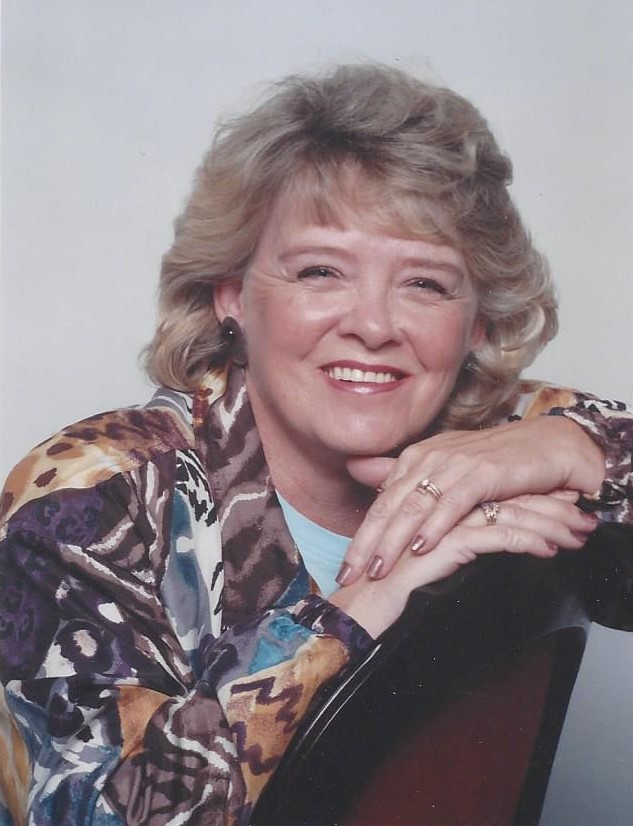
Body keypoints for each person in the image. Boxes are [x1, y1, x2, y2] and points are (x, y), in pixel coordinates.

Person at [0, 63, 631, 826]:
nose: (372, 324)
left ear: (478, 323)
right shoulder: (94, 499)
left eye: (425, 284)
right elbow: (90, 813)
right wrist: (357, 610)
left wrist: (576, 448)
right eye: (320, 271)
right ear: (231, 293)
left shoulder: (503, 440)